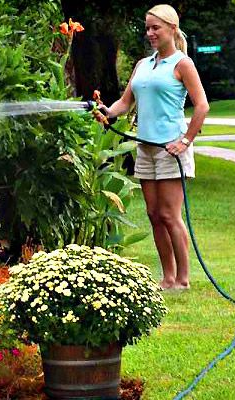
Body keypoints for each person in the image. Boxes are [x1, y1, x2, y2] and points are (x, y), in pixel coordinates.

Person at [94, 4, 209, 290]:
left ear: (172, 28)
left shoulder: (183, 64)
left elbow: (202, 106)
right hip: (145, 148)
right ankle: (167, 277)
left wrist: (185, 141)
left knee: (170, 215)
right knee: (154, 214)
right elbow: (125, 103)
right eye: (147, 28)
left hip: (171, 149)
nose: (150, 33)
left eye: (155, 27)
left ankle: (183, 279)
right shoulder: (143, 65)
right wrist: (107, 112)